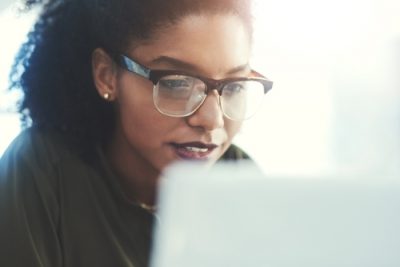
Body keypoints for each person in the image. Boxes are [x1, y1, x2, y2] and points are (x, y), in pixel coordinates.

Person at [0, 0, 273, 266]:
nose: (212, 120)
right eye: (177, 84)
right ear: (107, 75)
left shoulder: (239, 179)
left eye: (235, 86)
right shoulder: (42, 171)